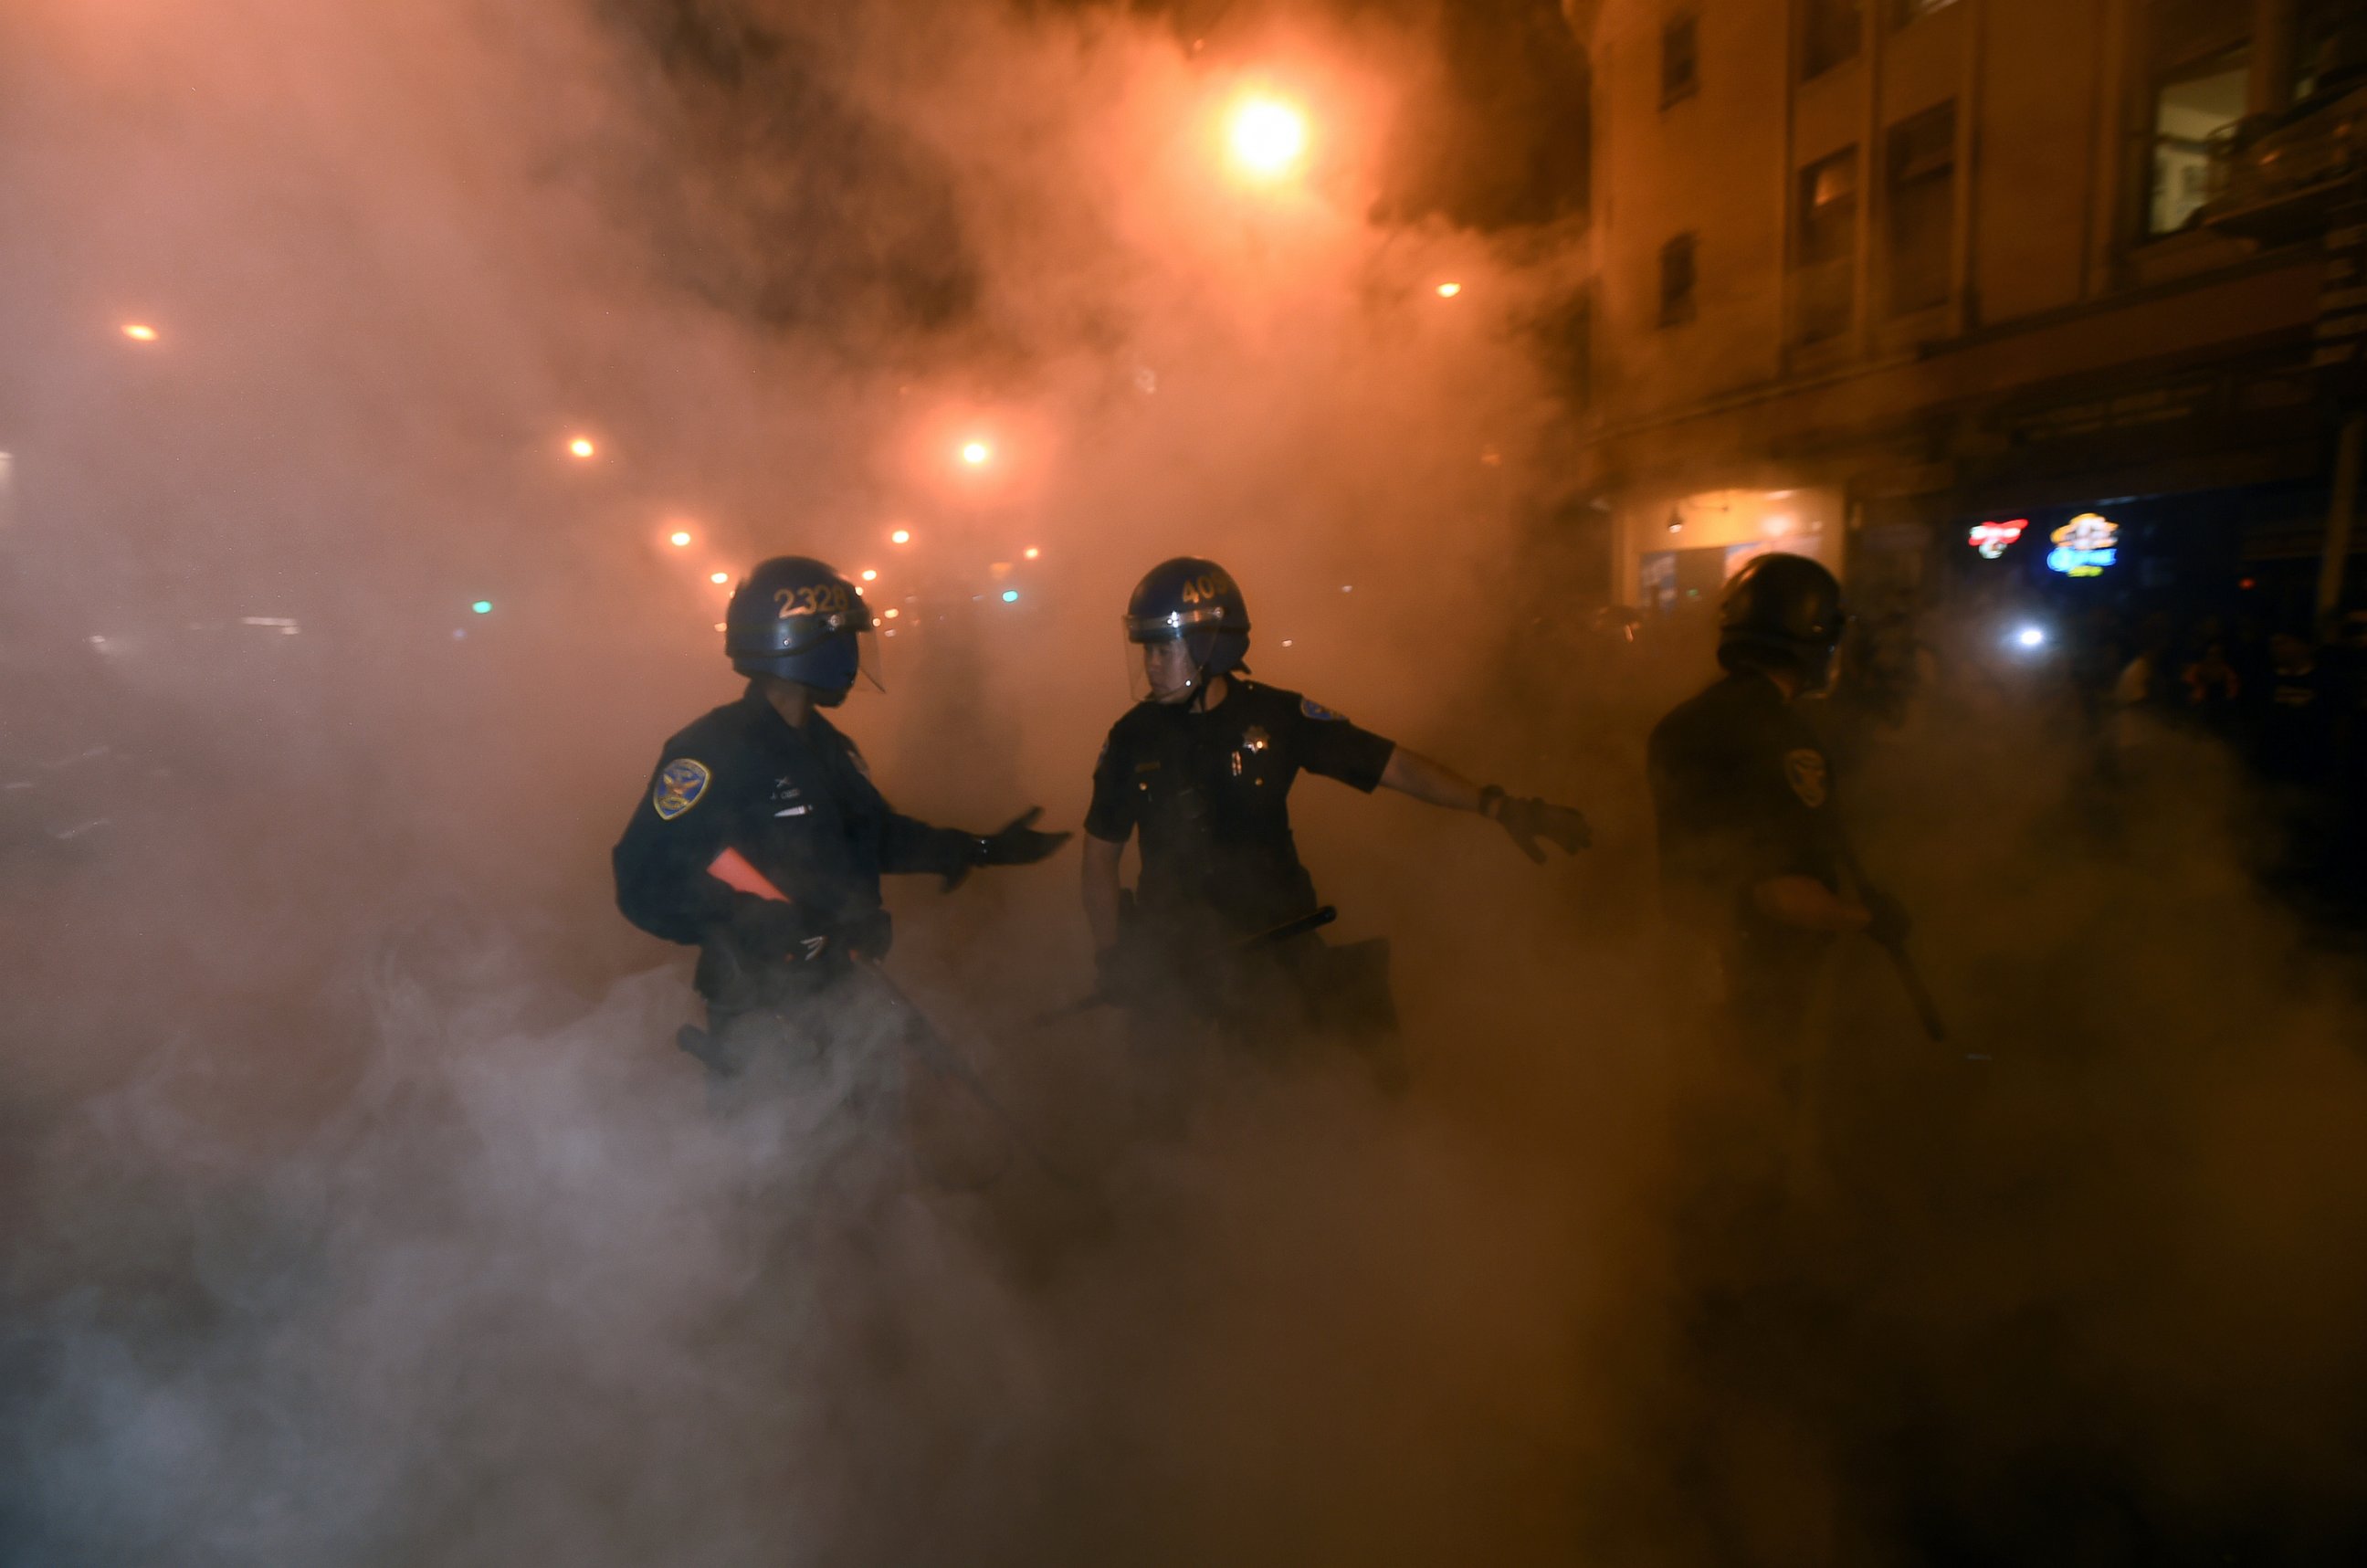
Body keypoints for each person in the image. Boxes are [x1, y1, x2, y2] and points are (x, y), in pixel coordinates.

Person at [1078, 556, 1590, 1089]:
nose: (1153, 664)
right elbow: (1099, 858)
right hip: (1173, 971)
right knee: (1167, 1130)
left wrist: (1496, 804)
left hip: (1277, 957)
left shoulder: (1277, 717)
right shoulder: (1132, 738)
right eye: (1147, 650)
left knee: (1304, 1109)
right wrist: (1113, 957)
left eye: (1165, 648)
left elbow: (1393, 765)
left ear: (1212, 643)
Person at [613, 555, 1068, 1097]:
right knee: (779, 1171)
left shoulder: (827, 747)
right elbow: (643, 879)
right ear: (803, 641)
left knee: (865, 1162)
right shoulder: (711, 750)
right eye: (845, 638)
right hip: (764, 1015)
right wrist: (748, 919)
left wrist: (976, 848)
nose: (854, 654)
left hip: (848, 996)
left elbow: (873, 835)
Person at [1646, 552, 1900, 1058]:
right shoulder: (1784, 738)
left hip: (1683, 967)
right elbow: (1782, 893)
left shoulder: (1681, 722)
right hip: (1758, 979)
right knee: (1758, 1111)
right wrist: (1868, 920)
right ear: (1817, 640)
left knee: (1696, 1105)